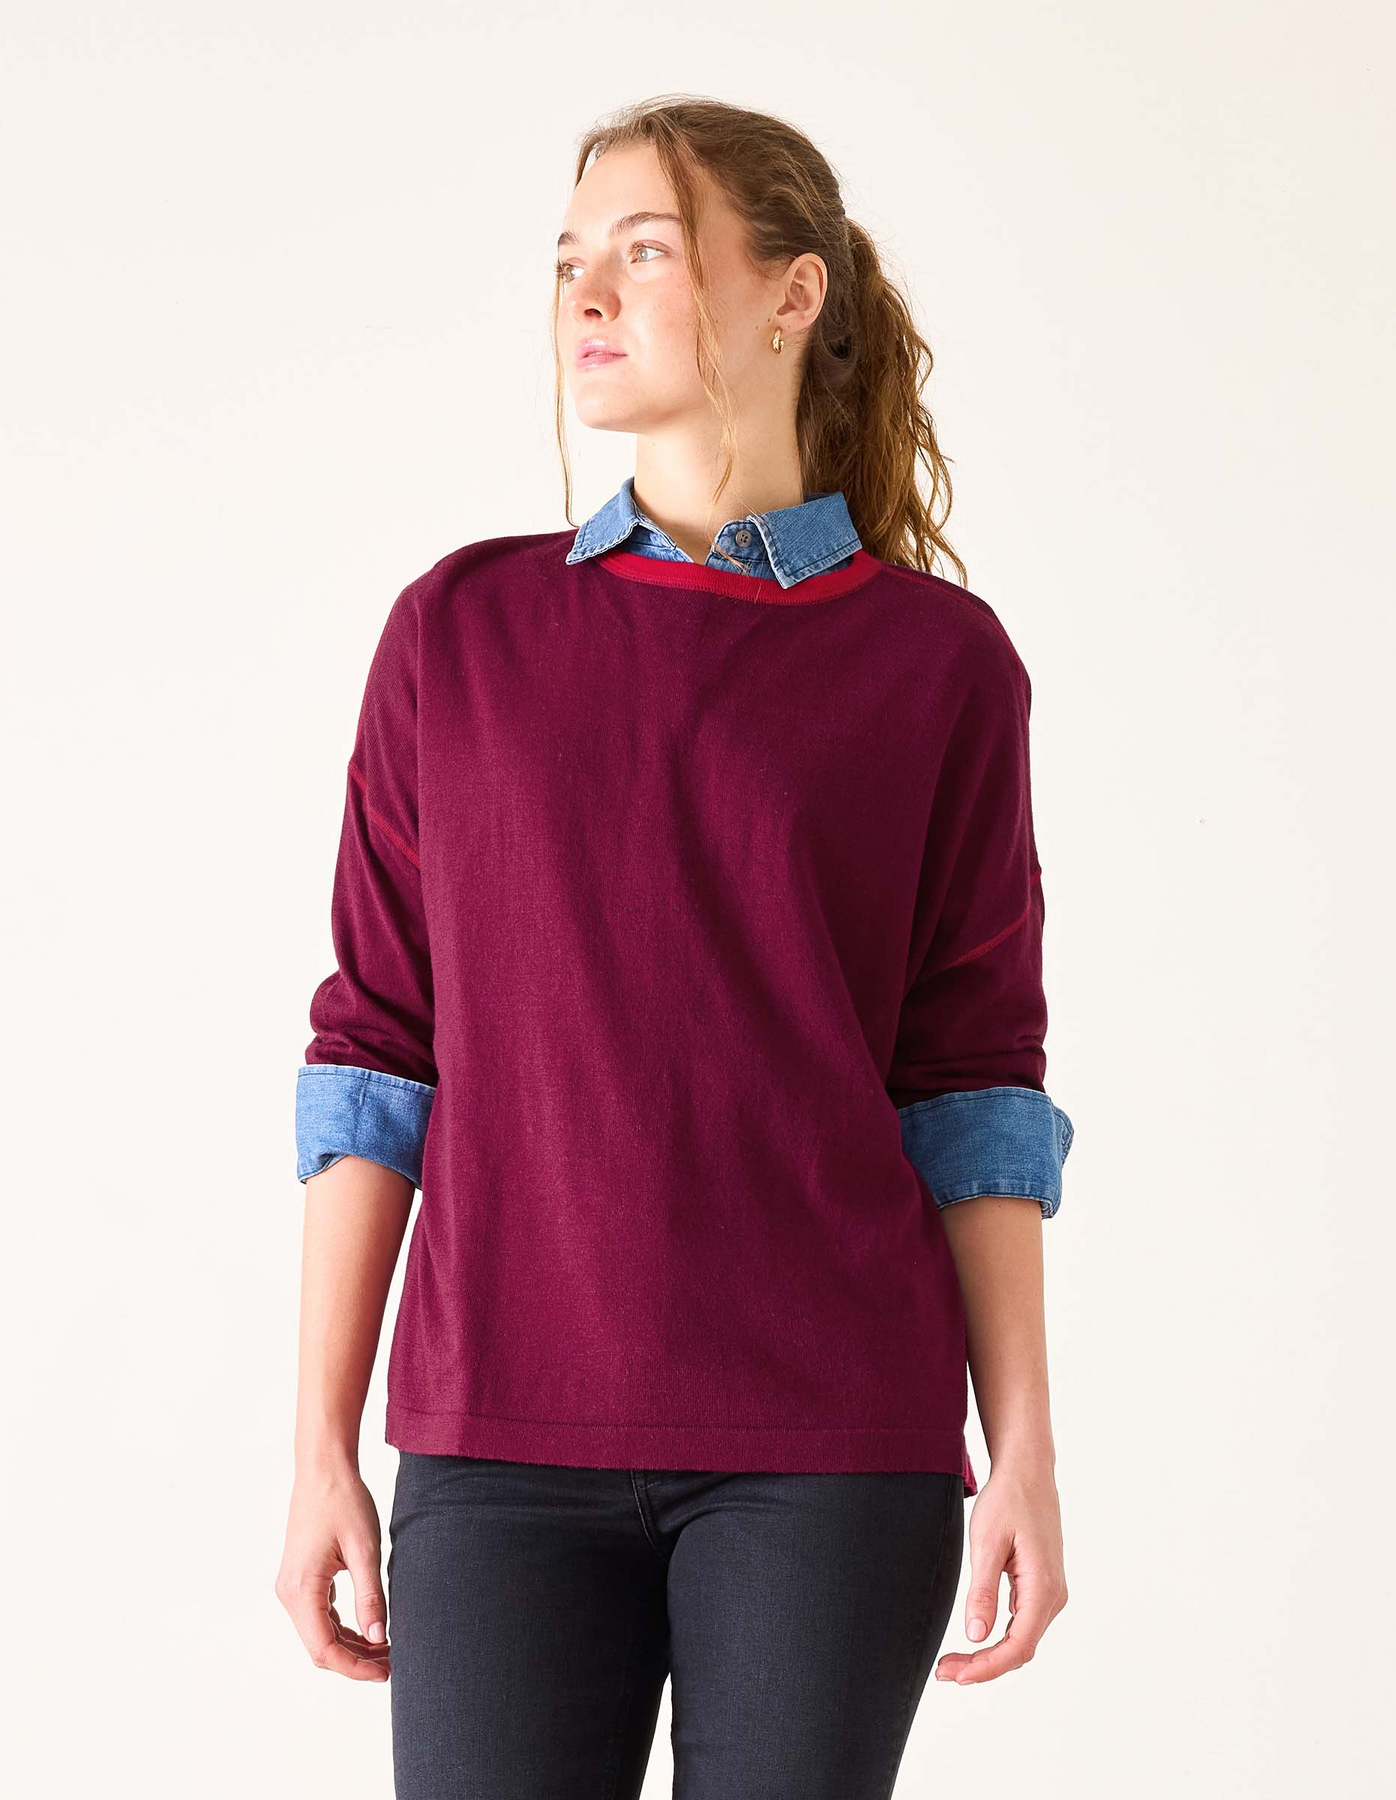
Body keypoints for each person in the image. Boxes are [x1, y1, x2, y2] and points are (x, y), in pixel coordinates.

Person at [275, 94, 1075, 1799]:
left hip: (830, 1453)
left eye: (645, 252)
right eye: (569, 259)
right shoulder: (457, 633)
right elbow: (375, 1050)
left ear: (793, 293)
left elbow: (973, 1086)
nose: (587, 293)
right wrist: (318, 1443)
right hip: (496, 1441)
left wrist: (1024, 1450)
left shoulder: (939, 666)